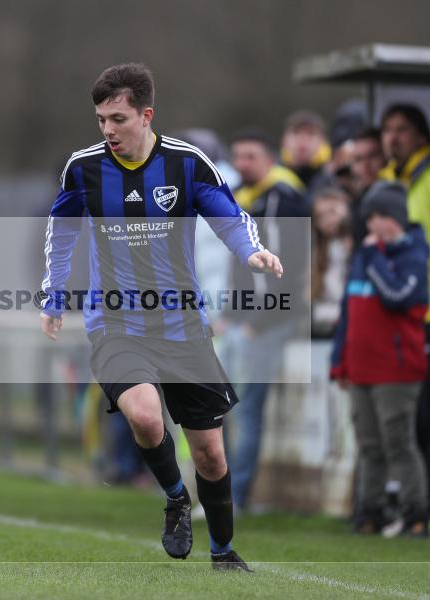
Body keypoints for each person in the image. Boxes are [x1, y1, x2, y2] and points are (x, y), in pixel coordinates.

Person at [39, 63, 284, 572]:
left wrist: (250, 251)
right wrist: (54, 294)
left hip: (182, 327)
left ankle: (223, 553)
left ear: (146, 115)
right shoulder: (82, 168)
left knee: (211, 456)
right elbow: (61, 234)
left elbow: (225, 211)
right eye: (101, 119)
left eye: (119, 118)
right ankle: (175, 498)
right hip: (116, 324)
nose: (108, 130)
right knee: (147, 418)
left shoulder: (187, 163)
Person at [330, 181, 430, 537]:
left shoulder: (413, 255)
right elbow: (348, 311)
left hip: (397, 370)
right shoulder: (364, 256)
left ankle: (415, 515)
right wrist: (339, 360)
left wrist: (374, 258)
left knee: (399, 443)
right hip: (360, 369)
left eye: (380, 217)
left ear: (397, 219)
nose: (373, 226)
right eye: (369, 217)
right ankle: (368, 514)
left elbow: (397, 298)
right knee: (369, 446)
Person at [222, 129, 310, 511]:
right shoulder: (240, 198)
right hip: (238, 321)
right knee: (218, 408)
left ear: (270, 159)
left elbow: (289, 266)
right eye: (238, 156)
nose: (243, 164)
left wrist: (258, 321)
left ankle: (235, 497)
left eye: (251, 156)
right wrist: (228, 314)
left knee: (246, 410)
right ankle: (221, 491)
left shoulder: (284, 200)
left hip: (266, 324)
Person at [378, 103, 430, 518]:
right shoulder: (388, 182)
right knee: (393, 424)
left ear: (421, 135)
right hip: (390, 319)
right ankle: (398, 504)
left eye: (402, 129)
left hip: (428, 316)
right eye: (387, 130)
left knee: (424, 420)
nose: (393, 138)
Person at [310, 187, 353, 336]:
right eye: (320, 216)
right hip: (325, 324)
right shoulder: (317, 251)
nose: (326, 220)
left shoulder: (353, 248)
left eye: (332, 212)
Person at [348, 127, 387, 249]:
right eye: (358, 159)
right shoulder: (354, 202)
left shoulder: (395, 200)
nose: (366, 165)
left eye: (373, 156)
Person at [280, 110, 330, 194]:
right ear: (283, 141)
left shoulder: (336, 181)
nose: (303, 139)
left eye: (311, 134)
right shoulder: (266, 181)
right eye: (296, 133)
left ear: (323, 142)